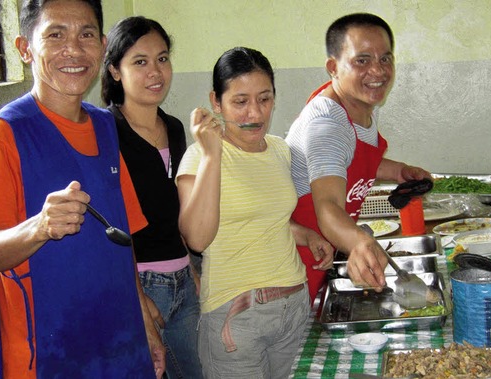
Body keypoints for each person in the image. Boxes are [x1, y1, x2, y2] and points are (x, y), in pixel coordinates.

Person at [0, 1, 165, 377]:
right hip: (48, 355)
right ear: (24, 49)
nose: (74, 49)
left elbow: (121, 238)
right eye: (55, 35)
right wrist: (39, 227)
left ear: (101, 46)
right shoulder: (2, 135)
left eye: (86, 35)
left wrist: (144, 321)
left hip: (120, 342)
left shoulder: (105, 126)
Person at [176, 47, 333, 379]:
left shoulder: (279, 149)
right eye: (240, 101)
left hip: (294, 305)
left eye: (265, 99)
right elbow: (197, 238)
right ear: (216, 102)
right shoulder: (197, 157)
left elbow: (266, 219)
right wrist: (212, 154)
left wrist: (307, 235)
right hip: (236, 315)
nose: (255, 113)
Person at [286, 13, 431, 302]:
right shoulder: (327, 124)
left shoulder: (357, 107)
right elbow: (327, 207)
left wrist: (398, 171)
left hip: (322, 256)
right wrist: (361, 242)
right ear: (333, 67)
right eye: (362, 60)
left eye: (385, 59)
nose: (377, 71)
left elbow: (349, 162)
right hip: (297, 268)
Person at [101, 16, 203, 379]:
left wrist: (190, 263)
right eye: (139, 62)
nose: (155, 71)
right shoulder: (106, 131)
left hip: (182, 279)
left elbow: (175, 205)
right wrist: (135, 298)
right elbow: (111, 222)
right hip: (142, 284)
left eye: (162, 58)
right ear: (115, 70)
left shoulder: (174, 127)